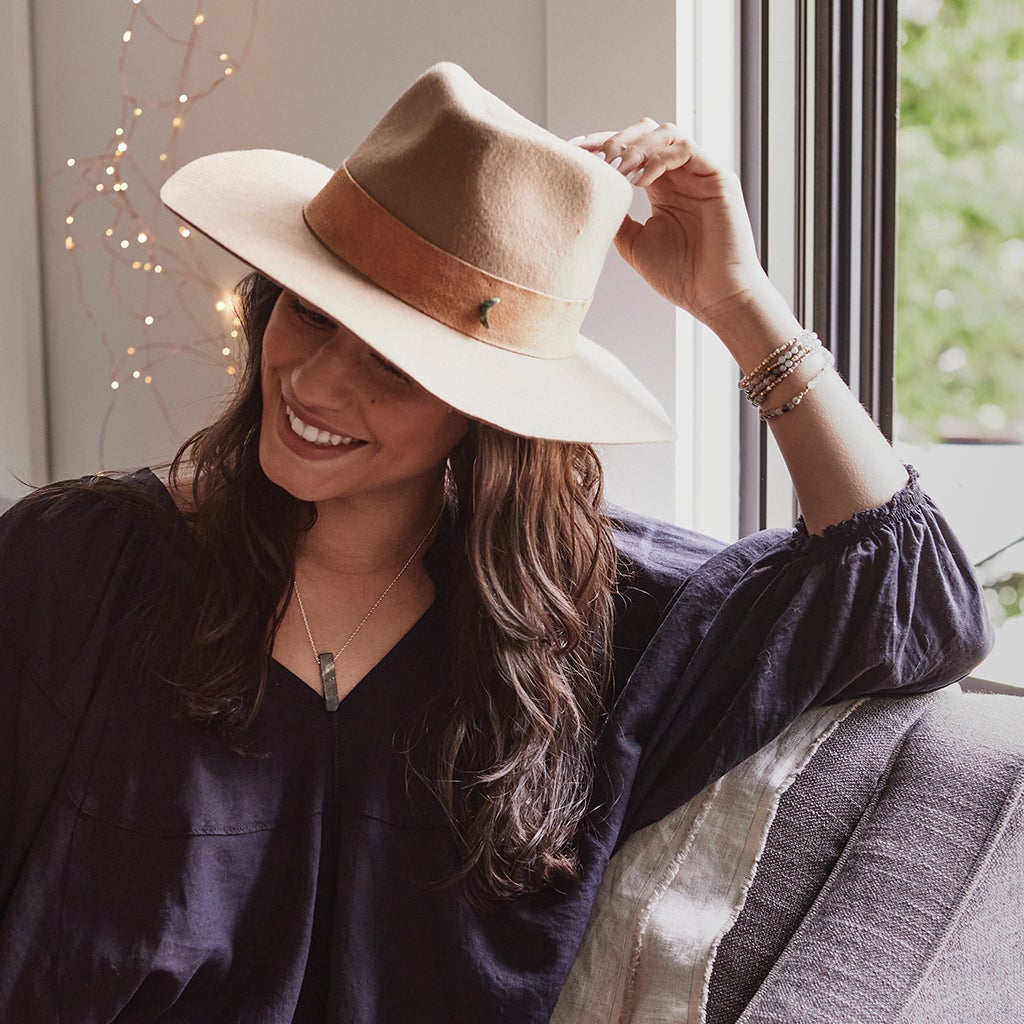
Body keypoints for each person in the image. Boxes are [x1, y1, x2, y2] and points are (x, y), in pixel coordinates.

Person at [0, 62, 991, 1023]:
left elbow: (916, 597)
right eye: (309, 312)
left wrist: (737, 304)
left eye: (393, 361)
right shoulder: (82, 564)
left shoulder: (584, 629)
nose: (314, 383)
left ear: (491, 411)